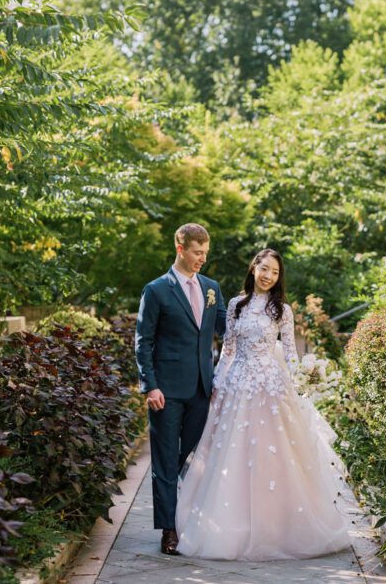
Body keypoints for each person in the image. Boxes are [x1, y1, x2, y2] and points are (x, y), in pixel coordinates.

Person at [175, 248, 351, 560]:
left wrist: (304, 376)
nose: (269, 276)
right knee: (233, 455)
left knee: (274, 456)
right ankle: (230, 528)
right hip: (237, 386)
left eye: (275, 272)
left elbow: (290, 352)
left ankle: (277, 528)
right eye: (265, 268)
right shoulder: (235, 305)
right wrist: (217, 382)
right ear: (254, 268)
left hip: (270, 387)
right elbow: (227, 349)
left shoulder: (281, 309)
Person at [134, 223, 227, 555]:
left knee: (190, 456)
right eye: (197, 252)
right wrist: (150, 386)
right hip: (166, 392)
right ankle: (169, 530)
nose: (202, 259)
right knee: (164, 461)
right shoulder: (156, 290)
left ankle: (185, 511)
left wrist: (260, 308)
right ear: (180, 248)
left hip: (204, 388)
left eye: (205, 253)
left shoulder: (212, 288)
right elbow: (143, 341)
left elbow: (228, 328)